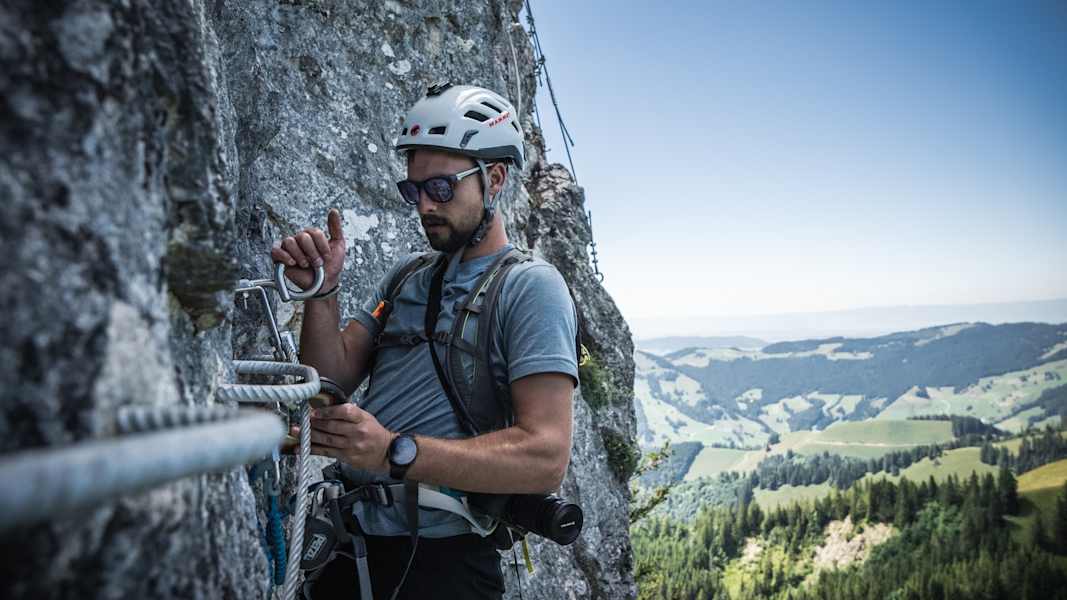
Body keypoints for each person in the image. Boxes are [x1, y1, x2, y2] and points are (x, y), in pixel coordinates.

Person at [270, 82, 579, 599]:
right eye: (413, 190)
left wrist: (394, 452)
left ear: (494, 178)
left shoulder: (530, 287)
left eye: (441, 188)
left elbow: (546, 455)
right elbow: (332, 378)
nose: (424, 207)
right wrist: (323, 292)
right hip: (355, 544)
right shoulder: (408, 277)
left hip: (445, 562)